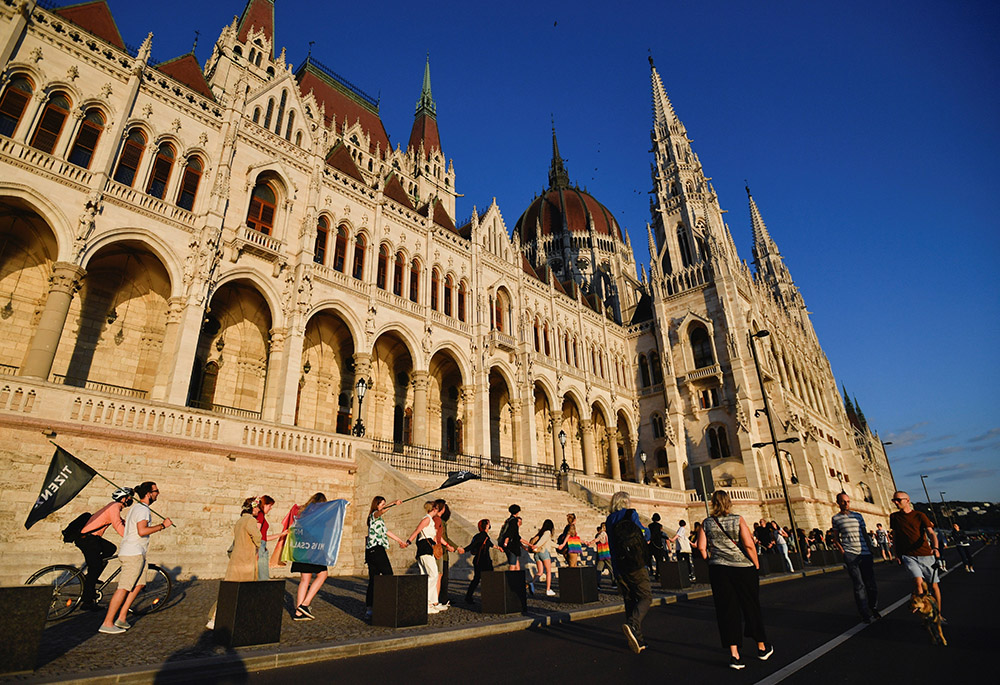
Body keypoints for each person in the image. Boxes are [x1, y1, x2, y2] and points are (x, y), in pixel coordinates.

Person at [697, 491, 772, 670]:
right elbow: (748, 544)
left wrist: (711, 560)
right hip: (742, 569)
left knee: (726, 610)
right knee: (750, 606)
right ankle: (761, 647)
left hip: (719, 570)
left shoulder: (706, 522)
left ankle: (734, 655)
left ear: (713, 503)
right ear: (729, 503)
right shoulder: (737, 519)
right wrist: (756, 563)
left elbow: (701, 547)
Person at [98, 482, 173, 634]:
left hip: (138, 553)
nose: (158, 493)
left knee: (139, 584)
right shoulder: (142, 510)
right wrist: (163, 526)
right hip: (133, 553)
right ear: (148, 493)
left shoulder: (138, 509)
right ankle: (107, 622)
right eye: (156, 491)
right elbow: (142, 531)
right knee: (124, 587)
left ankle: (122, 617)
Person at [207, 497, 263, 630]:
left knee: (229, 589)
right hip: (245, 561)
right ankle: (219, 617)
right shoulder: (250, 520)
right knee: (243, 590)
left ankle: (216, 617)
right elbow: (257, 536)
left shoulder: (240, 520)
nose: (259, 511)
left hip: (236, 559)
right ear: (253, 508)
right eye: (258, 508)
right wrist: (259, 543)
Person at [606, 491, 651, 654]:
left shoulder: (610, 519)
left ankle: (637, 639)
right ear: (626, 502)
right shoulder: (631, 514)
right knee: (646, 596)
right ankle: (633, 624)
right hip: (635, 563)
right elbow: (644, 534)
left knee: (629, 600)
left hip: (619, 565)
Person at [889, 491, 943, 618]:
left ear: (907, 500)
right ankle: (924, 615)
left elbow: (931, 532)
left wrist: (935, 547)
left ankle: (938, 614)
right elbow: (895, 536)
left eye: (898, 500)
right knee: (918, 582)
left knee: (933, 585)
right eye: (894, 500)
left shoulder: (919, 515)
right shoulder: (894, 517)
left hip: (925, 553)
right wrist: (896, 553)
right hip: (908, 555)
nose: (896, 502)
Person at [77, 487, 132, 611]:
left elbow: (122, 522)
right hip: (87, 539)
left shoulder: (113, 506)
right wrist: (129, 537)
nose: (130, 500)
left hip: (92, 539)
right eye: (129, 498)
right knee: (95, 568)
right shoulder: (115, 507)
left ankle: (93, 572)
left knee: (110, 548)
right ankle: (87, 602)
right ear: (123, 498)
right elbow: (117, 524)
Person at [831, 493, 880, 623]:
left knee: (871, 584)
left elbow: (864, 533)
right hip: (850, 554)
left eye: (848, 501)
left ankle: (873, 607)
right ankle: (864, 613)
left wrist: (870, 549)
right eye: (843, 501)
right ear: (838, 502)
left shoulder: (858, 516)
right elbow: (835, 538)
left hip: (865, 553)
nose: (846, 504)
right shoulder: (836, 519)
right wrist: (843, 552)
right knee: (859, 584)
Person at [364, 496, 406, 619]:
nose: (383, 506)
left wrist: (400, 541)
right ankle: (386, 605)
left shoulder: (379, 520)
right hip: (376, 550)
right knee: (388, 576)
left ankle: (370, 608)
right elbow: (381, 511)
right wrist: (394, 503)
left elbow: (386, 532)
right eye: (382, 504)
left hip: (372, 551)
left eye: (384, 504)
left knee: (374, 579)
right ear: (376, 505)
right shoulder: (373, 515)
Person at [291, 492, 329, 621]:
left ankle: (298, 612)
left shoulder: (303, 512)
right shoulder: (320, 515)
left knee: (304, 579)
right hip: (314, 549)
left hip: (301, 548)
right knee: (322, 575)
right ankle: (305, 604)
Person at [406, 501, 447, 613]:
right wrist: (408, 542)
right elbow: (417, 530)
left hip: (427, 550)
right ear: (434, 508)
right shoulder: (427, 519)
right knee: (433, 575)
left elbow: (433, 536)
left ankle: (432, 603)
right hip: (424, 550)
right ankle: (426, 602)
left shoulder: (430, 520)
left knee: (427, 575)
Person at [433, 499, 462, 605]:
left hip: (440, 550)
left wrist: (455, 547)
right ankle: (440, 600)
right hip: (441, 552)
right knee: (442, 577)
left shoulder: (435, 520)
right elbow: (442, 537)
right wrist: (451, 546)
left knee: (440, 576)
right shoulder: (439, 521)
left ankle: (439, 599)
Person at [464, 519, 494, 604]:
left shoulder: (481, 535)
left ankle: (468, 596)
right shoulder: (483, 536)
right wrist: (464, 550)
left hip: (478, 560)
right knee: (488, 579)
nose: (489, 525)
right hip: (484, 560)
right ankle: (488, 598)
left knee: (476, 579)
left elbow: (490, 544)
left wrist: (498, 547)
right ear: (486, 526)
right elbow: (472, 545)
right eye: (488, 524)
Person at [497, 504, 529, 571]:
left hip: (510, 545)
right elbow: (512, 534)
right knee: (512, 565)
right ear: (517, 512)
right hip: (512, 546)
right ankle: (511, 580)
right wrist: (506, 541)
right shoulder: (514, 521)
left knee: (516, 563)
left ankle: (517, 579)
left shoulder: (508, 520)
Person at [530, 519, 556, 596]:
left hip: (537, 553)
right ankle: (548, 589)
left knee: (540, 572)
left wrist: (558, 546)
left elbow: (549, 542)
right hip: (543, 552)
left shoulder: (541, 532)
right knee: (548, 571)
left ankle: (532, 583)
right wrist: (537, 545)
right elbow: (543, 540)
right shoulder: (547, 532)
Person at [255, 495, 276, 580]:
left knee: (261, 573)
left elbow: (263, 537)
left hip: (261, 545)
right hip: (259, 546)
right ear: (264, 505)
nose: (270, 508)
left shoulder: (261, 516)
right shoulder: (260, 515)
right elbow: (256, 533)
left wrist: (280, 535)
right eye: (269, 505)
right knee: (262, 574)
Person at [587, 523, 613, 588]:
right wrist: (591, 542)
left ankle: (597, 583)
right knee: (611, 568)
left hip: (601, 554)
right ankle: (614, 582)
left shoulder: (601, 534)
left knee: (599, 569)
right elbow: (597, 539)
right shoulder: (603, 534)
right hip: (606, 553)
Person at [647, 513, 667, 579]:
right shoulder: (659, 526)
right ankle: (658, 573)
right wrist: (667, 538)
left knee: (649, 558)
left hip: (651, 544)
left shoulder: (650, 525)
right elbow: (658, 534)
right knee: (659, 559)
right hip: (657, 544)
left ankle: (651, 570)